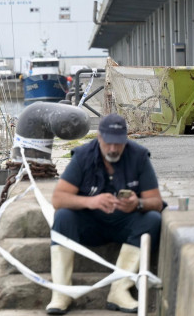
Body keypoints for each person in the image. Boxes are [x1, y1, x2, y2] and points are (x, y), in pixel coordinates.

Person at [45, 113, 163, 315]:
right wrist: (91, 201)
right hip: (89, 224)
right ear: (99, 137)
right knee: (63, 216)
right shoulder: (83, 156)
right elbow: (58, 199)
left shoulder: (139, 156)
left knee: (152, 219)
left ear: (126, 139)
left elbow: (156, 202)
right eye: (108, 142)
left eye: (119, 143)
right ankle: (61, 293)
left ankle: (119, 290)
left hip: (123, 223)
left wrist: (138, 203)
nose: (113, 148)